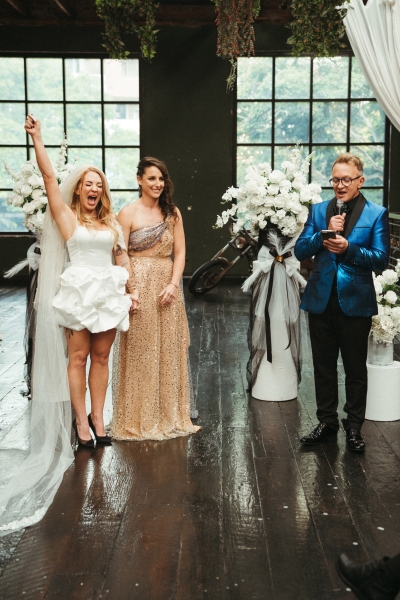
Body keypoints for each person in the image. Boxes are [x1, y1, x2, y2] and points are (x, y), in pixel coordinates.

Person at [0, 115, 137, 535]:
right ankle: (80, 423)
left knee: (102, 358)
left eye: (99, 185)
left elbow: (121, 255)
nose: (93, 189)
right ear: (77, 189)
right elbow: (47, 177)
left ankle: (99, 419)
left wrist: (130, 288)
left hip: (108, 292)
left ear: (103, 191)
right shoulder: (67, 218)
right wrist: (38, 139)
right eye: (88, 184)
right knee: (77, 359)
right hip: (78, 292)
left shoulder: (110, 222)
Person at [294, 153, 389, 452]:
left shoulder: (376, 214)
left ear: (360, 181)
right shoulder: (318, 210)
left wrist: (348, 248)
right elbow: (299, 251)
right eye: (335, 179)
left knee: (354, 370)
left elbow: (381, 259)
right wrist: (322, 236)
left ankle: (354, 428)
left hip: (355, 302)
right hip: (320, 300)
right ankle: (326, 423)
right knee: (323, 368)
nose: (340, 185)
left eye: (346, 179)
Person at [110, 156, 201, 441]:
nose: (158, 183)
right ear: (139, 180)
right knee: (140, 350)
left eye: (161, 179)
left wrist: (174, 284)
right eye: (152, 178)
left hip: (166, 286)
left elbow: (181, 252)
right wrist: (131, 288)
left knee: (168, 349)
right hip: (137, 285)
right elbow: (119, 254)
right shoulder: (127, 213)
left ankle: (168, 414)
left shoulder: (173, 213)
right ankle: (137, 416)